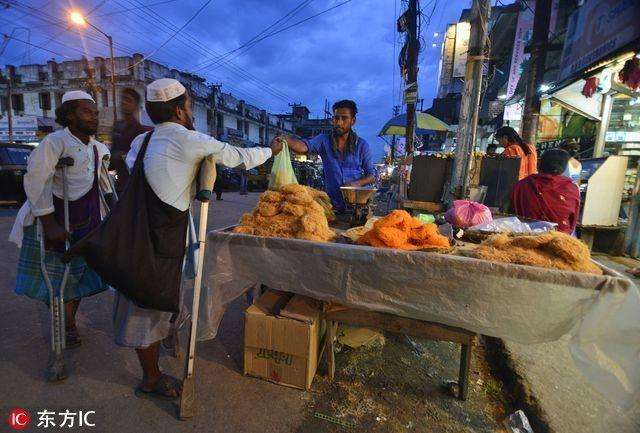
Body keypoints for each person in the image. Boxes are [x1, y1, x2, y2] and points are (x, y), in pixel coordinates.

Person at [113, 78, 282, 400]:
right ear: (179, 111)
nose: (191, 113)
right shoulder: (187, 139)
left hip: (137, 232)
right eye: (189, 107)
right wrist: (271, 150)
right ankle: (151, 378)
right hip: (161, 238)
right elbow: (238, 157)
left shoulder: (142, 143)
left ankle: (164, 336)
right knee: (148, 306)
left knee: (160, 297)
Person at [9, 90, 112, 348]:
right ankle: (63, 323)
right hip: (53, 220)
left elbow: (103, 184)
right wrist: (49, 222)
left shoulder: (99, 147)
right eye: (87, 112)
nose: (94, 116)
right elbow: (35, 179)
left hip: (87, 219)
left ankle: (69, 321)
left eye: (95, 112)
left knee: (77, 278)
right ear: (69, 115)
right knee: (55, 278)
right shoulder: (54, 142)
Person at [275, 100, 375, 214]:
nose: (339, 122)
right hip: (331, 207)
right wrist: (285, 139)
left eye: (344, 118)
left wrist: (356, 184)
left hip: (356, 207)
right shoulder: (323, 140)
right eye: (336, 118)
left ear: (353, 121)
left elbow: (371, 175)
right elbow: (303, 147)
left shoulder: (362, 145)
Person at [510, 149, 580, 234]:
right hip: (561, 238)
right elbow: (573, 222)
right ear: (564, 168)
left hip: (526, 237)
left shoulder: (522, 185)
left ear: (539, 164)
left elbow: (511, 214)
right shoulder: (572, 188)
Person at [110, 87, 153, 193]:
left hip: (135, 185)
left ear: (136, 106)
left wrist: (120, 155)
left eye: (128, 100)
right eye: (123, 99)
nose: (124, 103)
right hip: (120, 182)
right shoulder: (117, 127)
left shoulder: (141, 131)